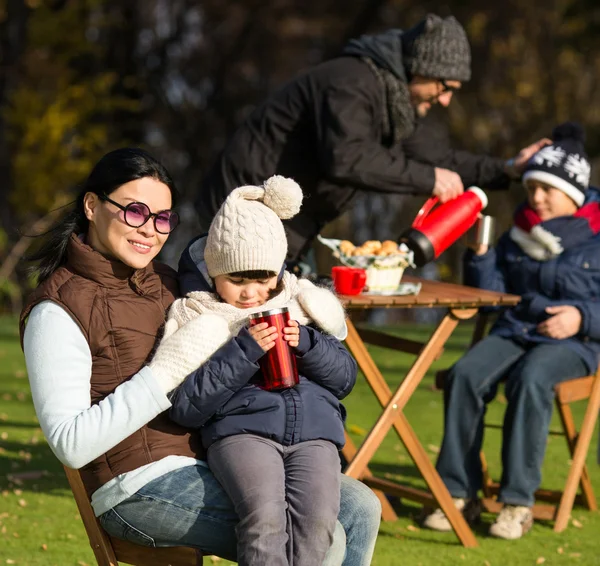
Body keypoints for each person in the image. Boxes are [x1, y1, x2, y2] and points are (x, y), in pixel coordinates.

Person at [19, 148, 381, 564]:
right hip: (136, 485)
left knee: (359, 508)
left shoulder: (168, 281)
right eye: (135, 212)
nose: (149, 231)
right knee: (322, 539)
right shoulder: (57, 309)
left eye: (162, 218)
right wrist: (162, 377)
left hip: (214, 455)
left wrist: (305, 301)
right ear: (91, 205)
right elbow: (71, 444)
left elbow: (238, 261)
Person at [196, 13, 550, 266]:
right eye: (445, 87)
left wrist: (508, 169)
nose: (445, 100)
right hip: (242, 212)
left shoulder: (394, 101)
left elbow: (438, 159)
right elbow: (346, 157)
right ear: (422, 67)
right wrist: (429, 179)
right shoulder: (350, 82)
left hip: (287, 226)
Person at [163, 175, 358, 565]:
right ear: (214, 272)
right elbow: (185, 404)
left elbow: (345, 378)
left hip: (316, 436)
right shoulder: (199, 315)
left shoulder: (304, 304)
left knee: (319, 524)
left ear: (280, 272)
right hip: (242, 434)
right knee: (265, 523)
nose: (252, 293)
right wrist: (244, 350)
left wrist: (307, 343)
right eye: (237, 280)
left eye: (263, 279)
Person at [422, 122, 600, 539]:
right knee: (463, 375)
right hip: (516, 329)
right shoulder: (516, 234)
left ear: (573, 194)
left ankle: (517, 504)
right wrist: (482, 257)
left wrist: (582, 317)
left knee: (531, 379)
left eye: (547, 190)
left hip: (575, 341)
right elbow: (491, 295)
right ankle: (457, 497)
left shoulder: (596, 237)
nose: (535, 197)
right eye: (531, 187)